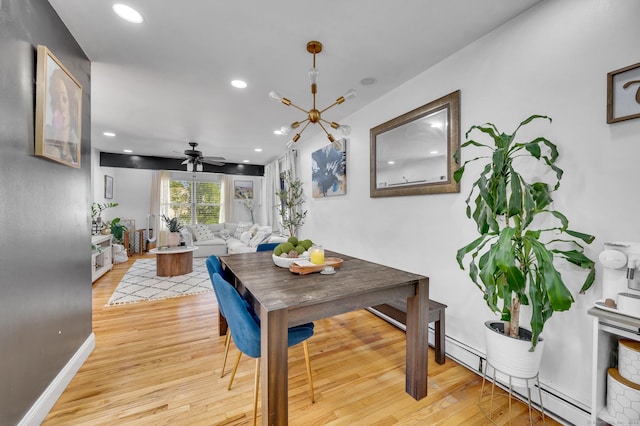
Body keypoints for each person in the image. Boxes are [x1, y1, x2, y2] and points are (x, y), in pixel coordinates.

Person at [44, 67, 79, 164]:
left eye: (64, 99)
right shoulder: (46, 135)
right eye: (56, 98)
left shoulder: (75, 144)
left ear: (70, 104)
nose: (60, 106)